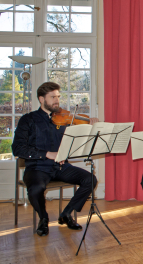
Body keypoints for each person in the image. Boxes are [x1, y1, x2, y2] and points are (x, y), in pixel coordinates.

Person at [12, 82, 99, 236]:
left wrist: (90, 124)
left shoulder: (64, 120)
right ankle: (43, 218)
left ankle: (66, 214)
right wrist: (46, 153)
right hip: (37, 167)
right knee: (36, 189)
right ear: (41, 99)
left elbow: (77, 140)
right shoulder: (28, 120)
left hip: (61, 167)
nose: (57, 100)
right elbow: (17, 148)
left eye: (58, 96)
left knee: (90, 179)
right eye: (52, 97)